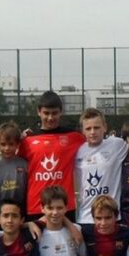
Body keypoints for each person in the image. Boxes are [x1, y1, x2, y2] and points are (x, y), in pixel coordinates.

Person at [19, 91, 85, 220]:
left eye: (54, 113)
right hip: (36, 206)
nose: (50, 117)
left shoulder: (74, 137)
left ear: (61, 112)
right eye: (46, 113)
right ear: (39, 112)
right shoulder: (27, 140)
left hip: (64, 207)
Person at [75, 108, 127, 225]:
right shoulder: (77, 150)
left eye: (97, 127)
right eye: (88, 128)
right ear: (82, 131)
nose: (93, 132)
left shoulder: (117, 145)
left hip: (111, 217)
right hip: (86, 218)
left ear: (105, 127)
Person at [0, 122, 28, 231]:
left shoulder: (25, 164)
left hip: (19, 216)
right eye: (3, 144)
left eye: (11, 144)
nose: (7, 148)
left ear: (17, 144)